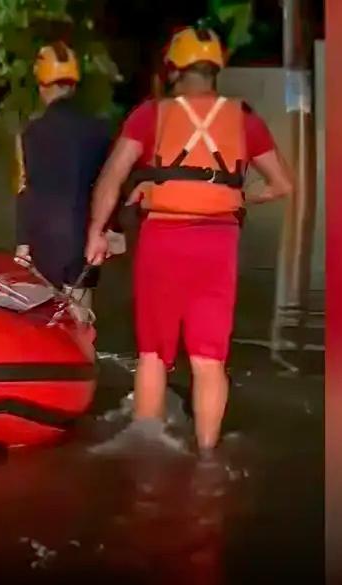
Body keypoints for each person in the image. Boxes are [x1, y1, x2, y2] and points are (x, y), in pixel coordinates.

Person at [84, 27, 294, 455]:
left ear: (174, 69)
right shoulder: (244, 118)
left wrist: (96, 232)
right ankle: (207, 457)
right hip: (218, 245)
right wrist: (237, 195)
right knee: (209, 359)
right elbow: (282, 184)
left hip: (163, 239)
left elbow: (111, 177)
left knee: (153, 355)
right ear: (216, 69)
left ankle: (145, 454)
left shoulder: (150, 115)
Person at [13, 40, 118, 309]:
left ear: (42, 85)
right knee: (80, 324)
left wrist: (22, 243)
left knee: (46, 327)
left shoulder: (30, 133)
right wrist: (111, 231)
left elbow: (26, 190)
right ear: (74, 85)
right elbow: (110, 185)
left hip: (43, 245)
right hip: (84, 244)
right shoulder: (100, 129)